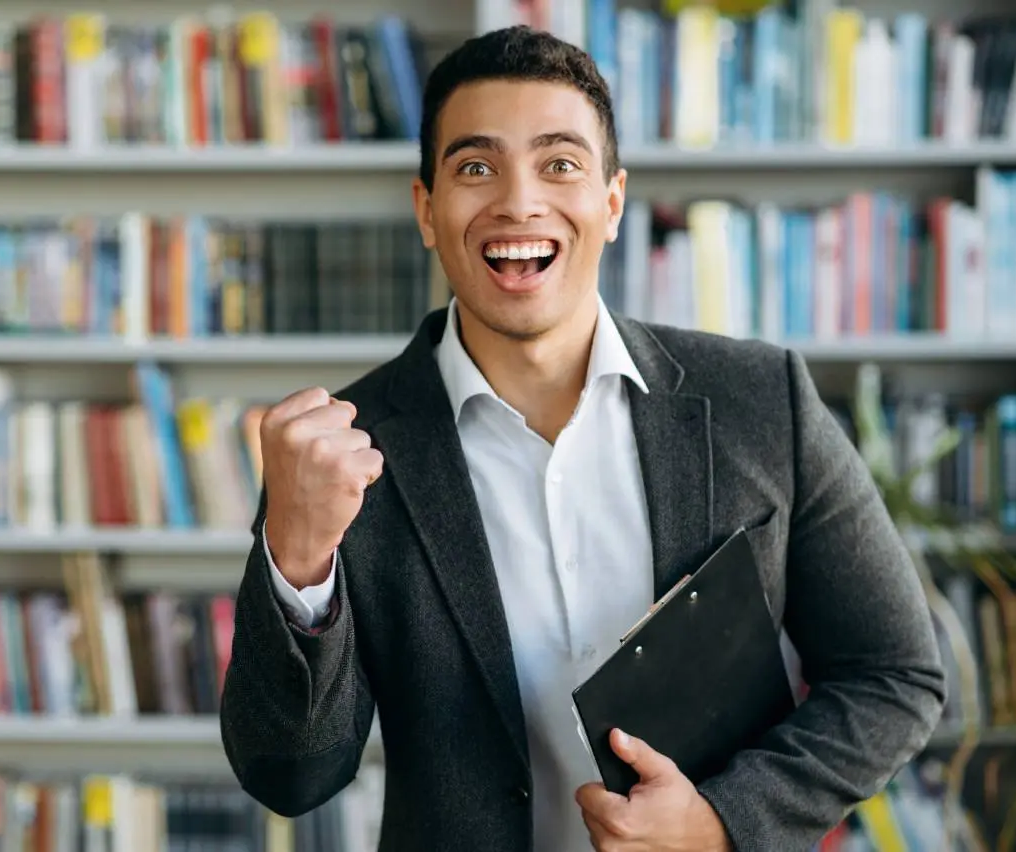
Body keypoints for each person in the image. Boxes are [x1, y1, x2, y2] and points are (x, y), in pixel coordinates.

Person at [220, 24, 945, 852]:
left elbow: (896, 677)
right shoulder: (334, 456)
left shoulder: (761, 400)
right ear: (426, 209)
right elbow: (291, 778)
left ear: (611, 201)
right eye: (475, 166)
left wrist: (723, 823)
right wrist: (299, 561)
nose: (519, 201)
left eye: (559, 163)